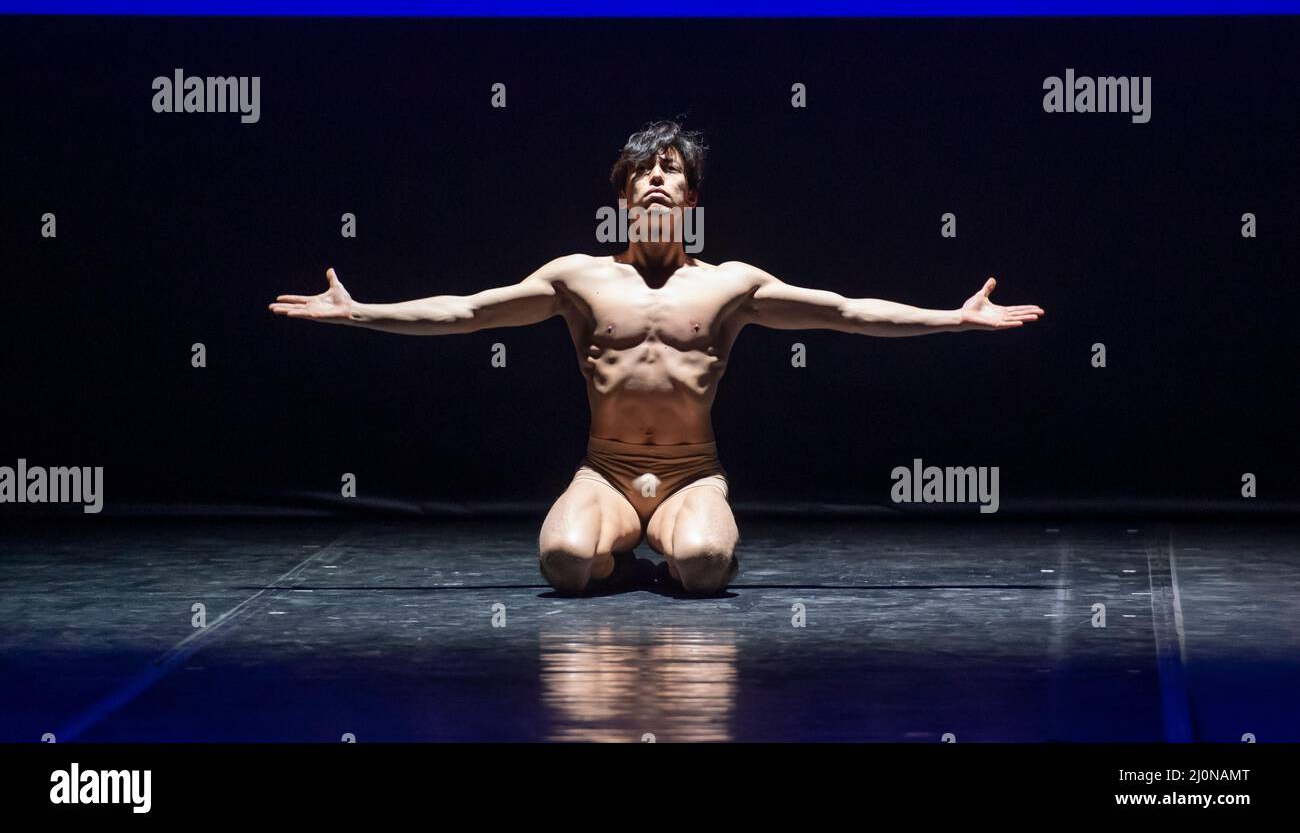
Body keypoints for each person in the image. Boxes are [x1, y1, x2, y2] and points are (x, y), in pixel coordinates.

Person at [269, 120, 1044, 596]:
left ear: (693, 204)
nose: (658, 179)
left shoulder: (732, 285)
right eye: (645, 171)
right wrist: (359, 311)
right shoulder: (577, 277)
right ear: (623, 197)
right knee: (565, 566)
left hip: (690, 475)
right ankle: (619, 555)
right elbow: (469, 312)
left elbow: (846, 312)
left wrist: (954, 318)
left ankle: (676, 551)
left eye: (672, 171)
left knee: (706, 568)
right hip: (603, 473)